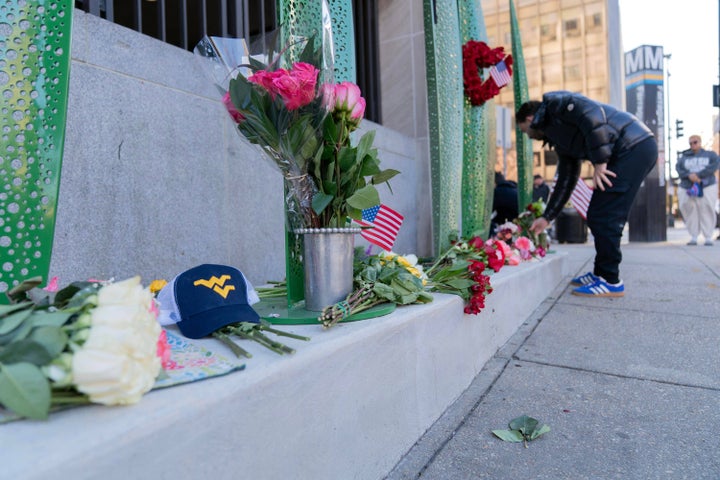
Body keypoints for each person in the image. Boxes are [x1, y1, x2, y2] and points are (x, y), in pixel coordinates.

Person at [516, 91, 658, 297]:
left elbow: (593, 114)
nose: (528, 136)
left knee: (605, 214)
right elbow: (566, 180)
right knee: (597, 213)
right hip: (626, 150)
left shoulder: (557, 104)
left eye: (525, 131)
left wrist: (600, 162)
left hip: (633, 146)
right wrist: (547, 218)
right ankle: (600, 274)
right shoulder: (560, 136)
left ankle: (611, 281)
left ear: (529, 119)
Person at [675, 135, 719, 246]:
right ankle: (693, 235)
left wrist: (699, 175)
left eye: (695, 142)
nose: (693, 145)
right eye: (690, 143)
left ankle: (708, 236)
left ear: (700, 142)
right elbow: (679, 169)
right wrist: (689, 176)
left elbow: (714, 165)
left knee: (707, 209)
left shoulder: (710, 155)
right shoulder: (684, 157)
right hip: (687, 186)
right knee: (688, 209)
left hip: (706, 185)